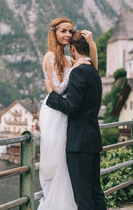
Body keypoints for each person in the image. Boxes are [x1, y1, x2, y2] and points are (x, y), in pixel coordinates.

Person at [38, 17, 98, 210]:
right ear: (54, 33)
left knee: (69, 164)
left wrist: (92, 45)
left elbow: (90, 67)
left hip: (66, 109)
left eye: (70, 31)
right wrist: (73, 73)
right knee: (55, 162)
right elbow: (56, 88)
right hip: (56, 111)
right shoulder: (50, 56)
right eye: (63, 31)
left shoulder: (69, 59)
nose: (68, 35)